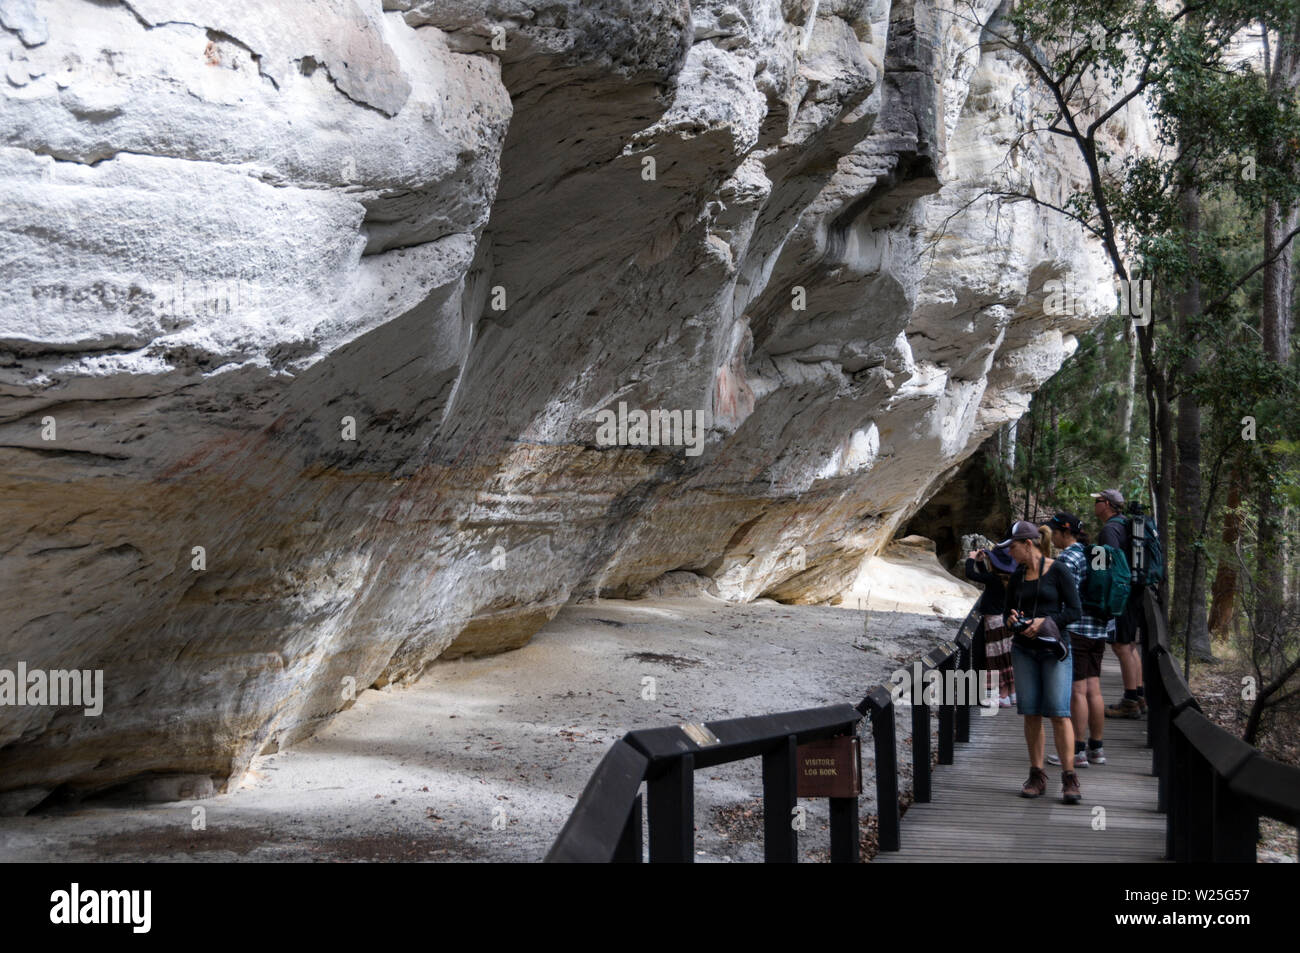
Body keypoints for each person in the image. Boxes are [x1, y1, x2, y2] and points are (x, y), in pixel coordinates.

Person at [1000, 520, 1083, 803]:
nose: (1010, 554)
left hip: (1053, 650)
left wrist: (1046, 621)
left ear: (1028, 544)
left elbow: (1074, 611)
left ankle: (1070, 778)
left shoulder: (1058, 570)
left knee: (1059, 713)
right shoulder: (1017, 576)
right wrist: (1013, 621)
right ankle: (1037, 775)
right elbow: (1005, 615)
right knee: (1031, 712)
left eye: (1012, 548)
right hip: (1024, 649)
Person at [1043, 513, 1107, 769]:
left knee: (1077, 691)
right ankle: (1097, 748)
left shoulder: (1069, 557)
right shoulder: (1092, 554)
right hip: (1099, 630)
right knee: (1094, 688)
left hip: (1078, 630)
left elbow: (1059, 595)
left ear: (1063, 533)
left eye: (1054, 532)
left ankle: (1077, 750)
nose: (1052, 537)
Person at [1092, 489, 1145, 718]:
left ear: (1108, 504)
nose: (1095, 504)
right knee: (1129, 645)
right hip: (1133, 592)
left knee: (1121, 646)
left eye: (1098, 501)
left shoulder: (1109, 530)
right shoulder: (1126, 525)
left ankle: (1130, 702)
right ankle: (1139, 696)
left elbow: (1104, 566)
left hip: (1120, 594)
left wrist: (1100, 596)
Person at [965, 543, 1018, 707]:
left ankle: (1001, 695)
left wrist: (971, 559)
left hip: (993, 623)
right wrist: (981, 562)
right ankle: (1013, 693)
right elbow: (986, 577)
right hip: (1004, 622)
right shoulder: (1008, 578)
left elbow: (971, 574)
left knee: (995, 659)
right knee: (1007, 658)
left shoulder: (993, 579)